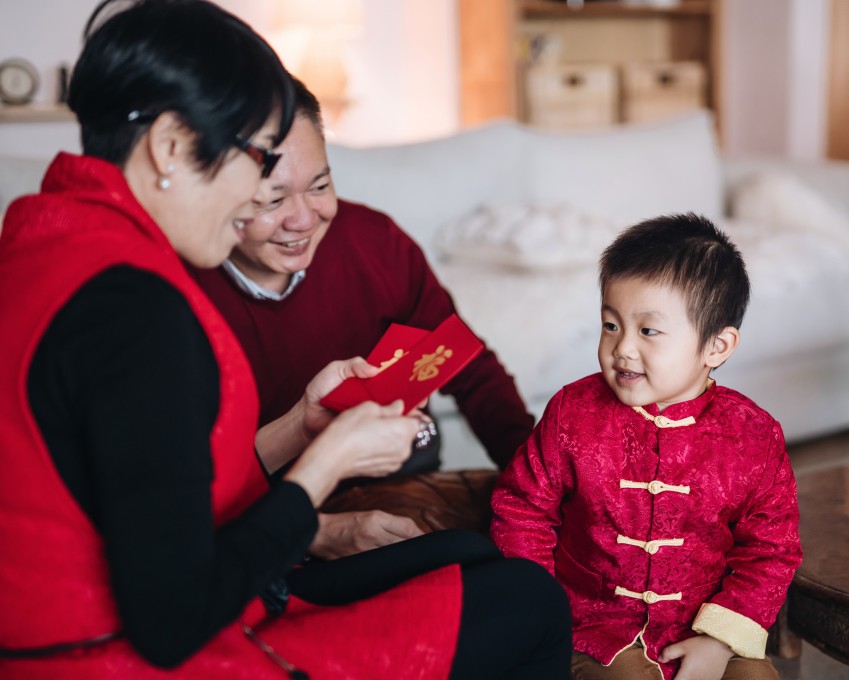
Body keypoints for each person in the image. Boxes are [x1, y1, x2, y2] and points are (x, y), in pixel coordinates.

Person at [0, 1, 570, 678]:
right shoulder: (138, 307)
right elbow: (172, 621)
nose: (257, 198)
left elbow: (164, 487)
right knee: (532, 602)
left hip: (146, 610)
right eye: (257, 160)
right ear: (172, 146)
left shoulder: (49, 239)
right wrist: (327, 463)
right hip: (123, 653)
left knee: (475, 560)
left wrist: (302, 427)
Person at [189, 77, 535, 558]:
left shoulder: (372, 241)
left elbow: (469, 369)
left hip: (405, 482)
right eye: (272, 200)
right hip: (258, 512)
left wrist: (541, 489)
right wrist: (312, 532)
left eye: (320, 185)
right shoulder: (177, 292)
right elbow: (181, 490)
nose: (304, 219)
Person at [491, 214, 802, 680]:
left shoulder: (753, 435)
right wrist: (542, 609)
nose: (623, 349)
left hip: (709, 626)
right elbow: (521, 508)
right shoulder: (572, 413)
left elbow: (772, 549)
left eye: (648, 331)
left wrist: (718, 641)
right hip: (591, 627)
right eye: (611, 325)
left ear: (716, 347)